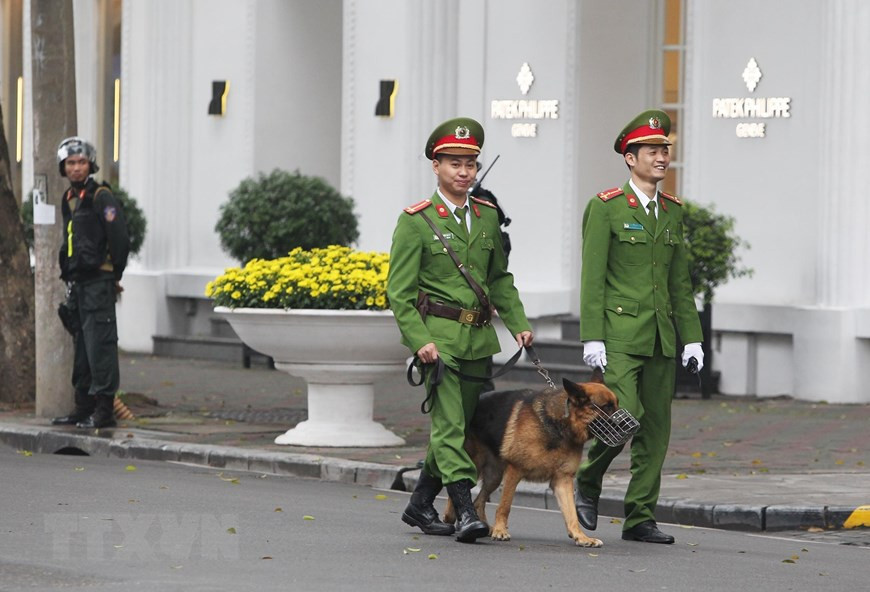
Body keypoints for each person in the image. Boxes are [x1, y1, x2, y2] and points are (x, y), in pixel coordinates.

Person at [387, 117, 533, 543]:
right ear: (436, 166)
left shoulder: (487, 217)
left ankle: (419, 504)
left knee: (457, 426)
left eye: (470, 164)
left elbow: (499, 279)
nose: (464, 172)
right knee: (451, 428)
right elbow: (399, 292)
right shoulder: (416, 221)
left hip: (478, 340)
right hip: (440, 342)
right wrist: (420, 341)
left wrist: (519, 324)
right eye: (455, 163)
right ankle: (467, 512)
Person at [574, 110, 704, 544]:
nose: (662, 157)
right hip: (621, 335)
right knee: (623, 417)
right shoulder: (606, 207)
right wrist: (592, 335)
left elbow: (679, 282)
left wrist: (692, 338)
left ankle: (640, 516)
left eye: (665, 149)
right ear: (630, 158)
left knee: (655, 431)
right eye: (652, 150)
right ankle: (587, 480)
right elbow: (592, 278)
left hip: (661, 337)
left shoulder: (671, 211)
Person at [51, 137, 130, 429]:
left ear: (90, 164)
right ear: (63, 167)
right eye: (70, 163)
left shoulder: (101, 197)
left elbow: (119, 238)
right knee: (83, 349)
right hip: (79, 283)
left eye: (81, 162)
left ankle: (104, 412)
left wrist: (114, 274)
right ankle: (83, 408)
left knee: (101, 347)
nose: (76, 168)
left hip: (99, 282)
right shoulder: (69, 199)